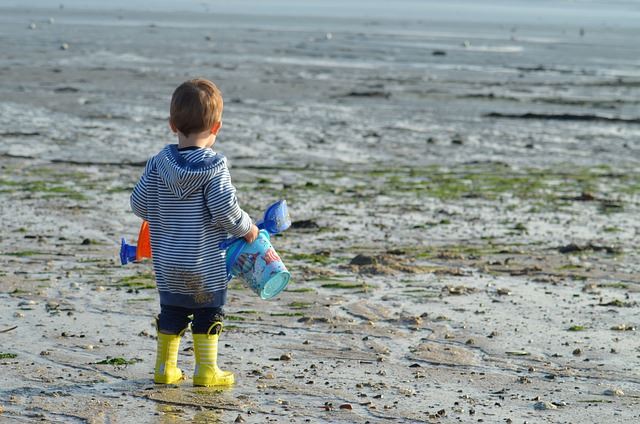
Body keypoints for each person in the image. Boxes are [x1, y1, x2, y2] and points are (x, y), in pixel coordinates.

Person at [130, 78, 258, 386]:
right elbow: (226, 212)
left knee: (172, 311)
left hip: (168, 264)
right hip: (204, 265)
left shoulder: (158, 163)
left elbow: (138, 203)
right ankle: (206, 370)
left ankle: (164, 368)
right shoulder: (214, 169)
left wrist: (163, 213)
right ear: (216, 128)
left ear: (173, 124)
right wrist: (248, 228)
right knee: (208, 312)